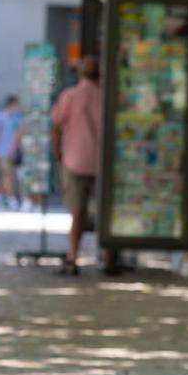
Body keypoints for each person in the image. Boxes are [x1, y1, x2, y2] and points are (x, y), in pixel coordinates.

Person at [50, 56, 104, 275]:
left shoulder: (69, 96)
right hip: (101, 162)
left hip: (74, 160)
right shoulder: (105, 96)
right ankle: (107, 257)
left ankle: (73, 255)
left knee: (77, 212)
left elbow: (55, 126)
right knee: (104, 212)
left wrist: (59, 154)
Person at [0, 95, 22, 209]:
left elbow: (19, 132)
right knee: (7, 175)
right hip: (2, 150)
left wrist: (15, 146)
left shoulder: (17, 117)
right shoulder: (0, 117)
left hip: (13, 151)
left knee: (8, 175)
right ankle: (10, 198)